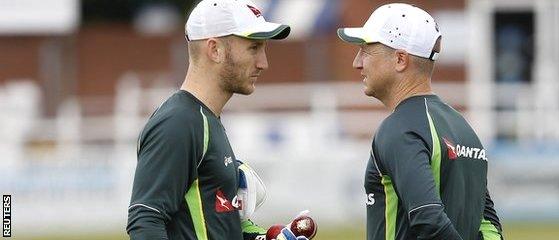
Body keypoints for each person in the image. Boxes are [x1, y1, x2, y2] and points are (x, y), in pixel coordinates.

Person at [126, 1, 308, 239]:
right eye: (254, 48)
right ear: (215, 49)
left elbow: (215, 226)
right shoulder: (178, 123)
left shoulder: (205, 119)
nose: (264, 63)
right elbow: (145, 221)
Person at [337, 3, 504, 240]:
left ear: (400, 60)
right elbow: (489, 225)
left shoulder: (399, 129)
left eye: (366, 50)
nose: (357, 62)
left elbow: (428, 218)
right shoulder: (462, 127)